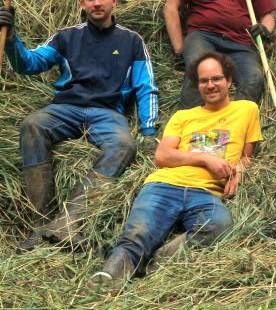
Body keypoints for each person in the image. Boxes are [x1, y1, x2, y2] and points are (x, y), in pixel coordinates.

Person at [0, 0, 159, 250]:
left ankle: (69, 221)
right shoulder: (66, 37)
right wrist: (11, 39)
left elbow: (146, 87)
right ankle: (40, 224)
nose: (97, 3)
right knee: (33, 124)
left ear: (114, 1)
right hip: (66, 108)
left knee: (123, 145)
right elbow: (29, 63)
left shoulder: (132, 41)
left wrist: (150, 130)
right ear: (82, 4)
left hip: (108, 113)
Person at [89, 52, 262, 292]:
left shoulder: (247, 110)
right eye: (204, 81)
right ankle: (108, 278)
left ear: (229, 81)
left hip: (206, 192)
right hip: (164, 186)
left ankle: (157, 263)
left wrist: (240, 171)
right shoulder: (183, 117)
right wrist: (205, 158)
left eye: (216, 79)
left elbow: (246, 155)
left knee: (219, 225)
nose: (210, 85)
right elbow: (162, 156)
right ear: (197, 84)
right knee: (139, 233)